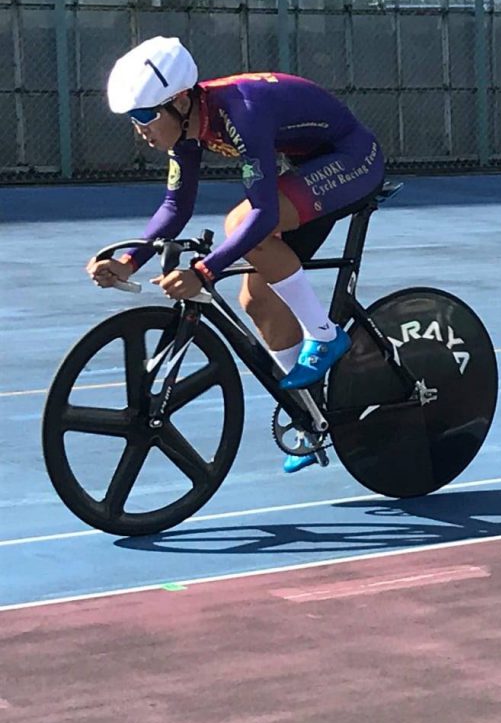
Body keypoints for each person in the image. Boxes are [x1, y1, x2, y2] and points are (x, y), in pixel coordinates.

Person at [88, 37, 385, 472]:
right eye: (132, 118)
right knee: (257, 300)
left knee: (241, 223)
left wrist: (205, 272)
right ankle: (313, 413)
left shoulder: (242, 113)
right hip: (307, 168)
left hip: (352, 159)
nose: (139, 129)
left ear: (180, 101)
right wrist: (128, 260)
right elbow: (175, 208)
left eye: (145, 115)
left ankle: (323, 333)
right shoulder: (188, 127)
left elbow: (263, 215)